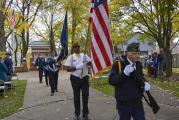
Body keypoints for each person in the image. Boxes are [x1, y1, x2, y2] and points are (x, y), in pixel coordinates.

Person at [109, 42, 151, 120]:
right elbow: (111, 80)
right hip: (124, 103)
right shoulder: (118, 64)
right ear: (127, 53)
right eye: (134, 53)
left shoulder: (138, 64)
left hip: (137, 102)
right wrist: (124, 74)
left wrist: (145, 83)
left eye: (138, 53)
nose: (138, 56)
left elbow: (140, 77)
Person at [64, 41, 91, 120]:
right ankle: (77, 114)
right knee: (76, 97)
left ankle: (85, 114)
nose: (77, 48)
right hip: (75, 79)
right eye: (75, 46)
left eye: (78, 46)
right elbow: (67, 69)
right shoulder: (71, 57)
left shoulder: (84, 55)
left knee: (85, 96)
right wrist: (77, 67)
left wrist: (88, 62)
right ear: (73, 49)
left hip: (85, 78)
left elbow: (91, 64)